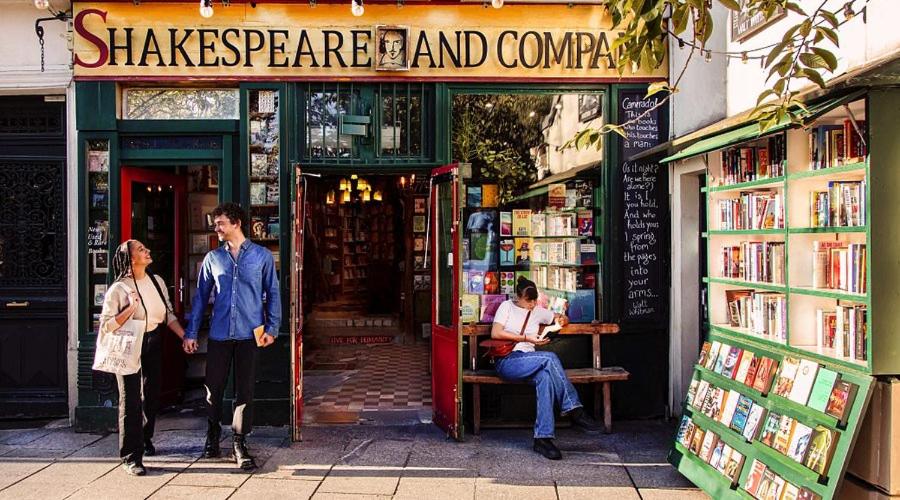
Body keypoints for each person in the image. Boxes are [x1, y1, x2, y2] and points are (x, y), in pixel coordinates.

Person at [184, 202, 280, 471]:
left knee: (244, 392)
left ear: (236, 223)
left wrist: (272, 328)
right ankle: (212, 434)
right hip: (219, 334)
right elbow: (201, 298)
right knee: (213, 390)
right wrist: (191, 332)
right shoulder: (213, 259)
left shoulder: (261, 256)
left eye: (220, 223)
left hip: (250, 335)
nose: (216, 228)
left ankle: (240, 441)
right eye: (215, 224)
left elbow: (273, 293)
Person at [98, 240, 187, 476]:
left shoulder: (156, 282)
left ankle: (145, 439)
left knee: (152, 392)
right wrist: (129, 309)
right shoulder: (118, 289)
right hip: (128, 343)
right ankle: (131, 456)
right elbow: (106, 325)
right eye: (140, 249)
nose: (147, 251)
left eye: (146, 248)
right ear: (130, 258)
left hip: (153, 340)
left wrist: (184, 337)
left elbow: (167, 314)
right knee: (130, 399)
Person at [490, 276, 603, 460]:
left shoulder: (537, 310)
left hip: (530, 361)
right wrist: (528, 339)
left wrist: (561, 320)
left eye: (535, 300)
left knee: (545, 377)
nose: (532, 304)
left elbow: (562, 317)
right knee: (550, 358)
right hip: (508, 361)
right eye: (529, 300)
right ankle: (574, 408)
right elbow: (496, 332)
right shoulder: (506, 307)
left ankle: (543, 439)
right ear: (518, 296)